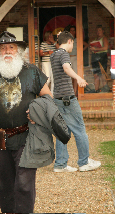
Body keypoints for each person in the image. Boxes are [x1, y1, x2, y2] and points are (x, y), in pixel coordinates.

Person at [0, 31, 52, 213]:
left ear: (19, 51)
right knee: (3, 186)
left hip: (27, 137)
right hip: (0, 140)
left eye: (11, 47)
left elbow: (48, 96)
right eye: (3, 48)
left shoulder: (32, 72)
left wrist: (38, 110)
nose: (7, 51)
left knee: (24, 184)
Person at [50, 31, 101, 172]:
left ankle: (60, 165)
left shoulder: (54, 55)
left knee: (62, 131)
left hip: (58, 98)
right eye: (73, 43)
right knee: (80, 129)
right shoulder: (64, 54)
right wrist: (78, 78)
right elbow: (66, 67)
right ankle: (84, 163)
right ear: (70, 41)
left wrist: (60, 36)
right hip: (68, 99)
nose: (73, 47)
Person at [69, 25, 89, 95]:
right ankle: (69, 92)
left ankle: (74, 92)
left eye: (73, 30)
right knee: (68, 75)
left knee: (75, 75)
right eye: (71, 30)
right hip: (68, 58)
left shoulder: (77, 39)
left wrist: (80, 51)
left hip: (75, 58)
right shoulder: (67, 39)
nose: (72, 32)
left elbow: (86, 45)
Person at [90, 25, 109, 93]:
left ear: (103, 31)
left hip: (102, 57)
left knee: (102, 73)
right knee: (96, 74)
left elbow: (106, 48)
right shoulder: (95, 39)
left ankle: (105, 88)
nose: (98, 32)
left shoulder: (104, 38)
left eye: (99, 30)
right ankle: (96, 90)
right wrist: (93, 49)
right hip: (95, 57)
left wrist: (96, 49)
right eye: (97, 30)